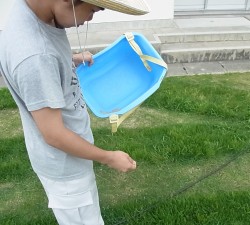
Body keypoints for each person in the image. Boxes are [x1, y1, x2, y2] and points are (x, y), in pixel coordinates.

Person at [0, 0, 150, 224]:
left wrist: (68, 61)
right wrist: (109, 158)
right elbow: (54, 134)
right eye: (92, 10)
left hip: (66, 160)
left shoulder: (32, 11)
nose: (90, 18)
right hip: (66, 170)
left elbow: (45, 64)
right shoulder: (36, 56)